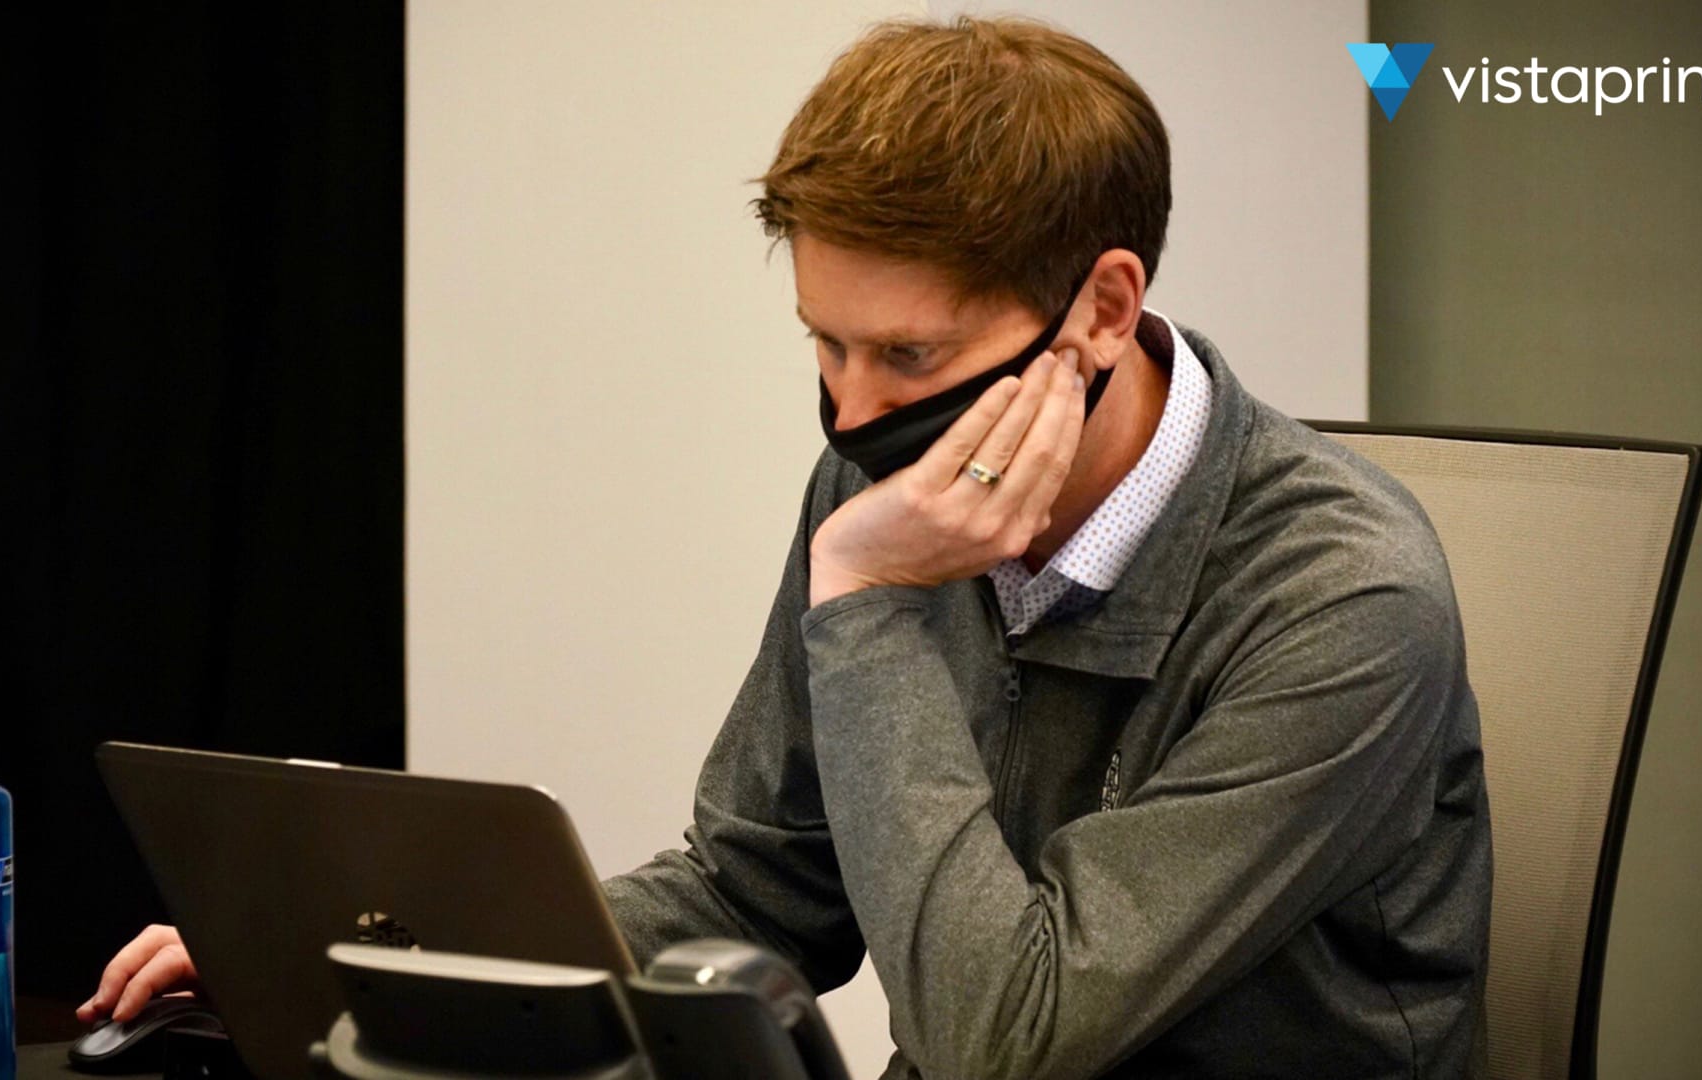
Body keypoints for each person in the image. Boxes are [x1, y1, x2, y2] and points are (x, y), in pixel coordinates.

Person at [81, 16, 1491, 1079]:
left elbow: (1011, 1036)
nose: (854, 412)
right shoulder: (890, 484)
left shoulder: (1344, 596)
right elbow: (761, 889)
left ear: (1105, 309)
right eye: (825, 342)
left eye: (908, 354)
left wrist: (869, 598)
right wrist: (368, 952)